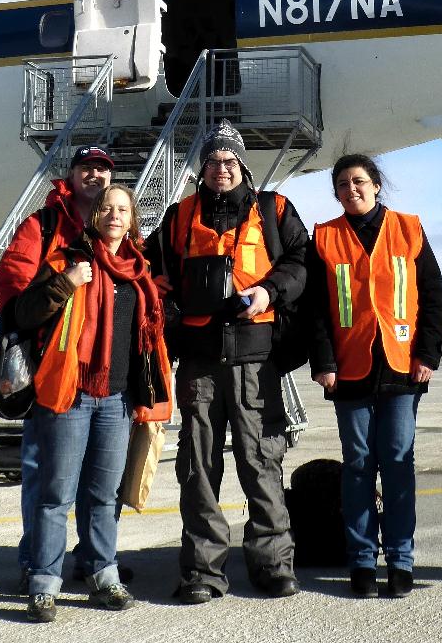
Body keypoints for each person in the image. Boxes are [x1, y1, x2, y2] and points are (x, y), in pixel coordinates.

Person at [150, 120, 308, 602]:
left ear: (243, 165)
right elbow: (155, 274)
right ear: (202, 169)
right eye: (213, 161)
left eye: (229, 161)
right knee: (197, 468)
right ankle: (202, 571)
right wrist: (174, 312)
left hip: (256, 361)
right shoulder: (179, 217)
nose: (221, 168)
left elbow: (301, 262)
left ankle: (273, 565)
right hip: (199, 363)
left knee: (261, 462)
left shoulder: (274, 210)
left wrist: (268, 289)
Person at [13, 183, 171, 623]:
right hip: (70, 396)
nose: (115, 215)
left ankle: (103, 573)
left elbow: (146, 336)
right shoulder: (67, 260)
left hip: (117, 399)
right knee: (55, 495)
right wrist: (65, 283)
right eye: (107, 208)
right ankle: (45, 583)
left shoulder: (138, 273)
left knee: (103, 496)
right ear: (95, 215)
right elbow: (25, 313)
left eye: (123, 209)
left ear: (131, 217)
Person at [307, 154, 442, 599]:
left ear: (376, 186)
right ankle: (362, 562)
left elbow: (434, 297)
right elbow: (316, 310)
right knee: (358, 466)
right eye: (344, 184)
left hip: (403, 367)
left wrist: (427, 355)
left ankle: (401, 561)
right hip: (349, 370)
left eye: (360, 181)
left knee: (398, 463)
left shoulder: (408, 229)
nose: (353, 189)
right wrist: (324, 363)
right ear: (336, 193)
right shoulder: (325, 237)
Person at [0, 144, 119, 592]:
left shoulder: (116, 229)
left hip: (101, 374)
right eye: (87, 167)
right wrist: (40, 321)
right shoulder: (43, 224)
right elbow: (11, 285)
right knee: (43, 471)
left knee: (98, 479)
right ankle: (34, 561)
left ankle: (91, 558)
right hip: (50, 370)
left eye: (103, 169)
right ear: (72, 174)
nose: (96, 175)